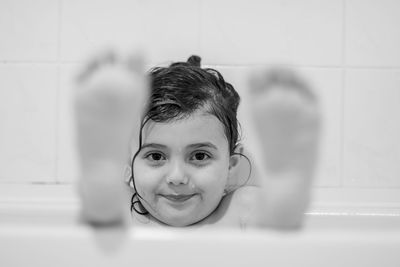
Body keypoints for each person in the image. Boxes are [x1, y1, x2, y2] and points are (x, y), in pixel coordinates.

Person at [74, 52, 320, 229]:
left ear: (231, 166)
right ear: (128, 164)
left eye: (200, 156)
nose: (177, 177)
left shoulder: (241, 210)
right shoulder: (122, 210)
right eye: (156, 156)